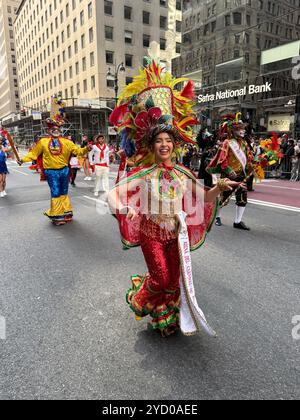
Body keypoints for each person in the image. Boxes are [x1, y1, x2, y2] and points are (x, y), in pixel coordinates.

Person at [108, 59, 242, 337]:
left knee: (173, 280)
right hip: (151, 232)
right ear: (152, 145)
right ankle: (140, 297)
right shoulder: (145, 173)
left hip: (175, 234)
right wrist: (123, 207)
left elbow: (204, 197)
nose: (165, 145)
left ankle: (165, 317)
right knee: (159, 277)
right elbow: (114, 193)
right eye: (159, 141)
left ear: (175, 144)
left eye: (169, 140)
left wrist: (220, 187)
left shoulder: (182, 172)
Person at [18, 117, 91, 225]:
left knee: (64, 192)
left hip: (64, 170)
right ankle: (57, 216)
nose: (55, 130)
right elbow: (33, 154)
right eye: (53, 129)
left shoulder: (67, 142)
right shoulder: (43, 142)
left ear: (60, 130)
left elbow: (78, 151)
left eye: (57, 129)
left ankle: (66, 212)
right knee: (56, 192)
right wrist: (22, 160)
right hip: (51, 172)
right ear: (48, 131)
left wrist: (86, 149)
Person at [207, 113, 253, 231]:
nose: (242, 131)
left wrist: (255, 164)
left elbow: (249, 158)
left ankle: (237, 221)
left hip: (241, 174)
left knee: (242, 197)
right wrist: (228, 170)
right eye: (239, 129)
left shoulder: (244, 143)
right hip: (228, 174)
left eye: (243, 128)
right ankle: (216, 216)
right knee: (221, 197)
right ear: (233, 130)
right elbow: (222, 159)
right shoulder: (227, 143)